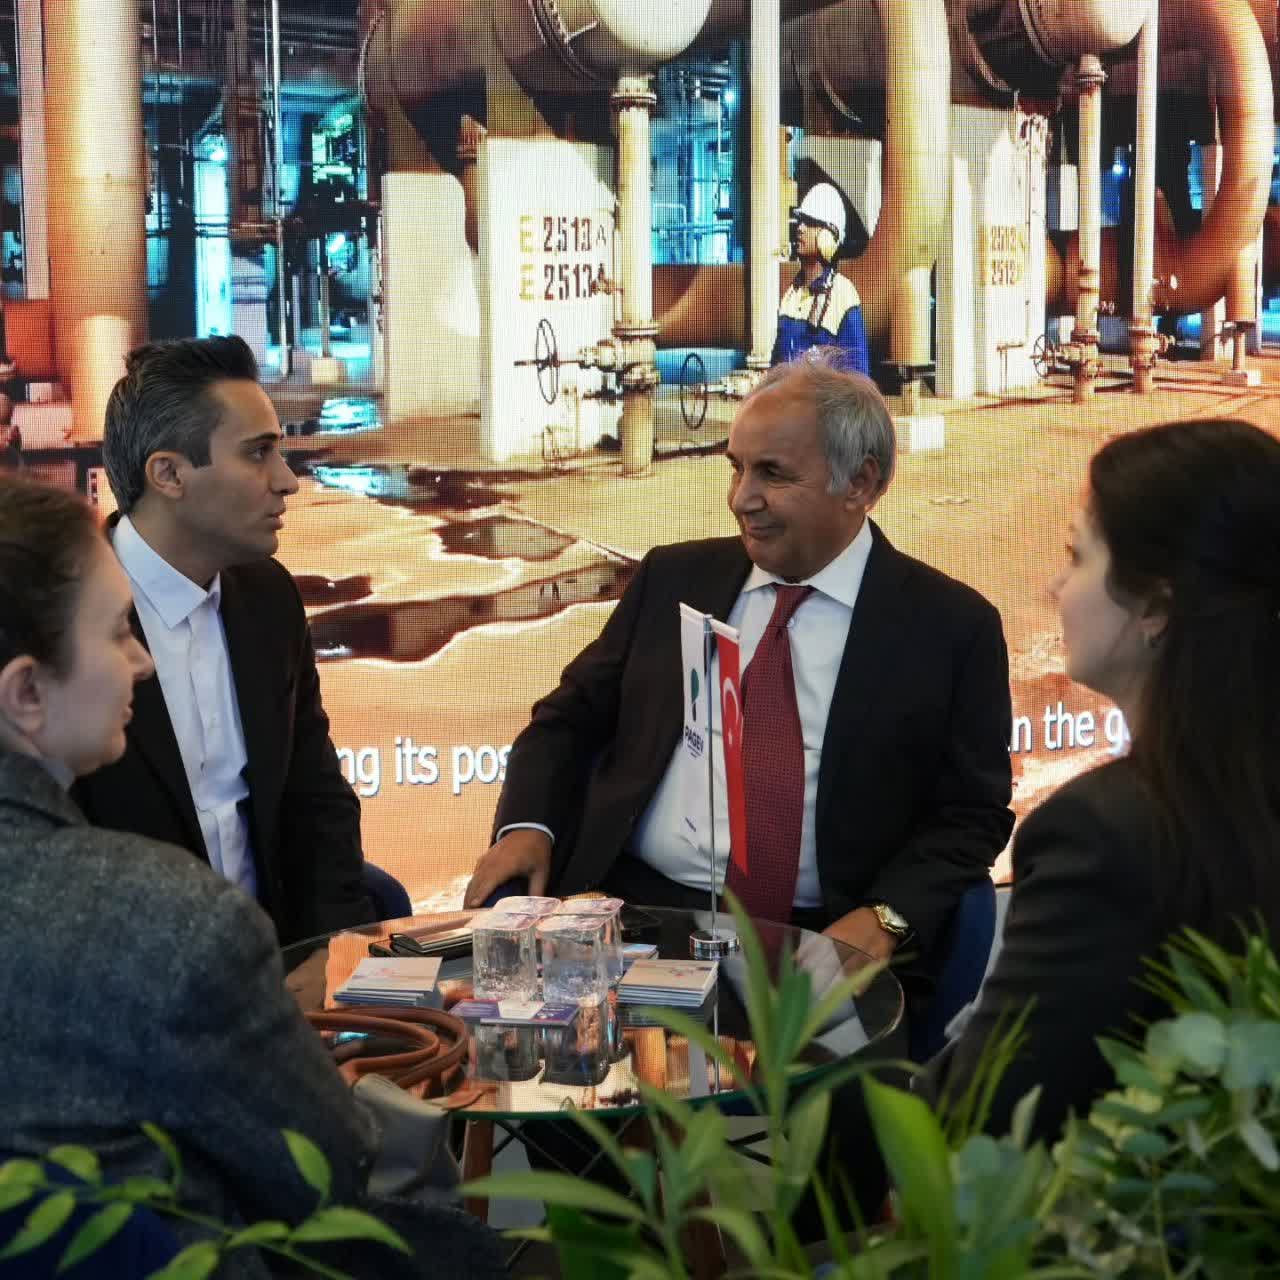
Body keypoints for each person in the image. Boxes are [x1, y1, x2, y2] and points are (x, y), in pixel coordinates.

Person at [0, 474, 505, 1278]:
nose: (141, 660)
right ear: (27, 692)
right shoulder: (177, 925)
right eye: (116, 631)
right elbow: (325, 1167)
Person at [466, 349, 1014, 1004]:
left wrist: (884, 920)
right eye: (736, 467)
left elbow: (972, 814)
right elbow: (568, 720)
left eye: (772, 474)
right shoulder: (674, 579)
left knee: (800, 1074)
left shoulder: (950, 627)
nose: (740, 499)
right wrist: (529, 825)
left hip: (819, 941)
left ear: (860, 484)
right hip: (631, 915)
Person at [923, 417, 1280, 1140]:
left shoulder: (1104, 833)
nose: (1053, 585)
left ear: (1154, 607)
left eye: (1077, 556)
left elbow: (987, 1115)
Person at [71, 336, 375, 946]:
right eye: (258, 454)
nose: (287, 481)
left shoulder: (269, 598)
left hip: (276, 965)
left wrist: (332, 956)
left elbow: (316, 801)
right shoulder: (59, 616)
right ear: (169, 474)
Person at [771, 182, 870, 374]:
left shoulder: (843, 295)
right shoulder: (792, 294)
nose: (800, 228)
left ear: (828, 235)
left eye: (810, 223)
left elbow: (857, 376)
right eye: (801, 221)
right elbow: (777, 363)